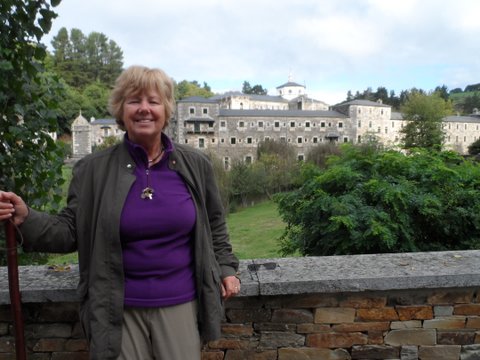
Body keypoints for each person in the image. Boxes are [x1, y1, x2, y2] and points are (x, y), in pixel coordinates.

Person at [0, 65, 240, 360]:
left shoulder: (195, 165)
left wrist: (227, 269)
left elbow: (214, 224)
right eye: (134, 101)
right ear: (120, 110)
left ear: (165, 110)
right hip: (118, 308)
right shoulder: (92, 170)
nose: (144, 109)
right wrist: (27, 218)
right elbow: (71, 231)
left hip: (180, 303)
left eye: (153, 101)